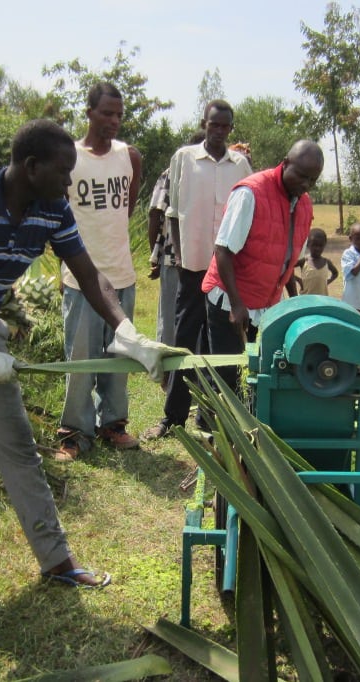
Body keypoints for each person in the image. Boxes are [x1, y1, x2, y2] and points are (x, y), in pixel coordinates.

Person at [0, 119, 179, 587]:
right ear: (31, 167)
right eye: (64, 172)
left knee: (19, 448)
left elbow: (89, 274)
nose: (69, 182)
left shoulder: (53, 209)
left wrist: (127, 331)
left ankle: (57, 562)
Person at [142, 101, 252, 440]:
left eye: (225, 126)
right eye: (214, 125)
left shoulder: (241, 165)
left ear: (230, 129)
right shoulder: (184, 158)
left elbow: (249, 212)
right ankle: (172, 418)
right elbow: (173, 211)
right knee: (184, 341)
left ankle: (212, 418)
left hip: (224, 272)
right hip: (191, 267)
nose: (219, 131)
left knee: (221, 348)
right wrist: (178, 255)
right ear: (203, 124)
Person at [193, 140, 324, 405]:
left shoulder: (304, 204)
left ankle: (234, 427)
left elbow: (287, 262)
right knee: (227, 374)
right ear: (285, 163)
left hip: (263, 305)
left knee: (255, 372)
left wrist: (293, 302)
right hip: (230, 300)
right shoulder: (251, 193)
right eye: (300, 175)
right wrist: (237, 305)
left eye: (312, 180)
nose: (305, 184)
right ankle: (217, 434)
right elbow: (223, 251)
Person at [55, 83, 143, 460]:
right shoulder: (69, 157)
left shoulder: (130, 157)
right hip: (81, 278)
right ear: (89, 112)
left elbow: (128, 208)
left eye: (119, 115)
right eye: (106, 113)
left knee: (119, 356)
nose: (114, 121)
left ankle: (113, 425)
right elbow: (57, 215)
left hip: (121, 275)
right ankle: (74, 433)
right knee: (80, 359)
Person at [147, 131, 207, 348]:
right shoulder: (173, 172)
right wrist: (155, 255)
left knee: (189, 317)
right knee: (175, 315)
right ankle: (169, 373)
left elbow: (154, 213)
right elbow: (156, 213)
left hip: (202, 260)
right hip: (176, 258)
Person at [294, 228, 338, 296]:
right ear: (308, 244)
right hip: (305, 300)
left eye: (320, 246)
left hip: (321, 300)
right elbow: (288, 268)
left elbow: (335, 273)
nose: (317, 248)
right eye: (314, 245)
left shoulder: (326, 262)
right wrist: (299, 280)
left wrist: (327, 282)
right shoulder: (304, 261)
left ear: (324, 245)